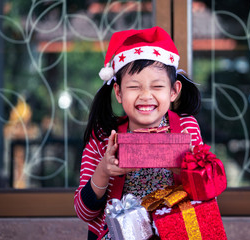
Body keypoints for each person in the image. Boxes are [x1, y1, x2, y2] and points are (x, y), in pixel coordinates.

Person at [74, 26, 203, 240]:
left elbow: (207, 194)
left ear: (174, 91)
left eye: (157, 86)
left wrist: (187, 168)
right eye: (134, 86)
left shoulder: (186, 128)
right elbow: (84, 213)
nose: (145, 95)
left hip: (176, 231)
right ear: (118, 92)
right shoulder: (104, 136)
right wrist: (104, 171)